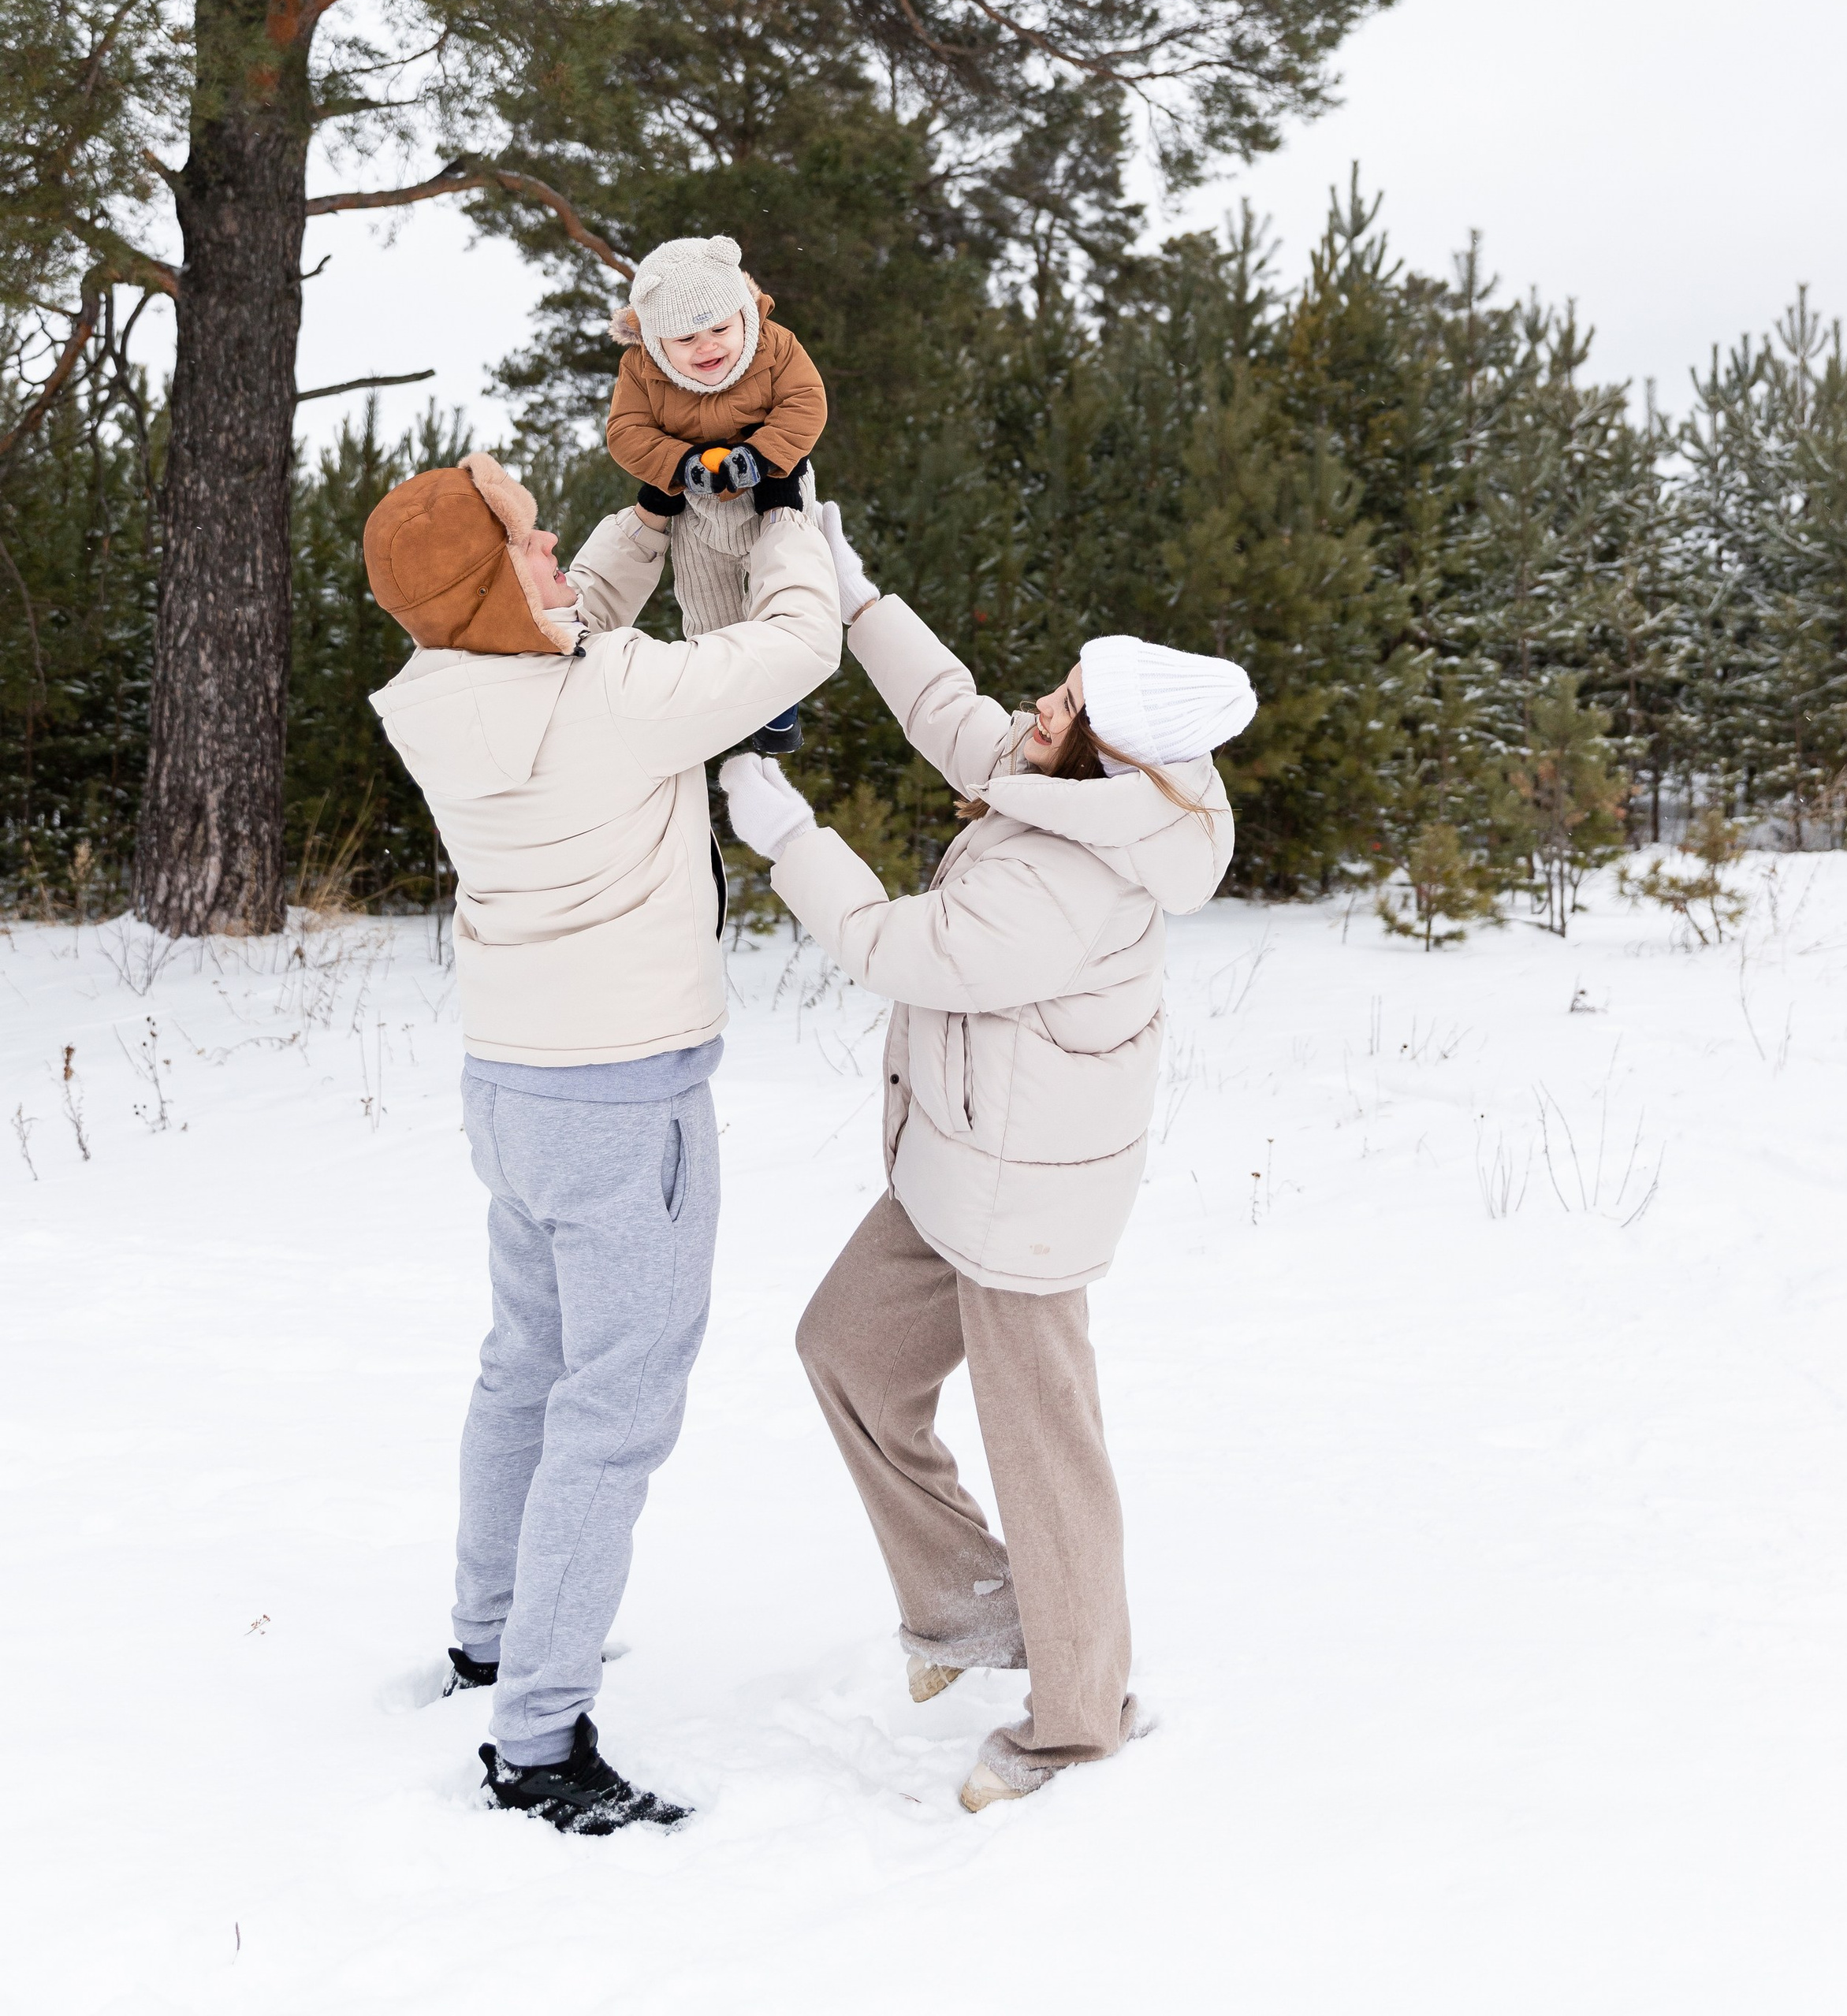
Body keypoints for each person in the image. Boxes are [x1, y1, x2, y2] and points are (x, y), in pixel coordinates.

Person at [721, 501, 1256, 1815]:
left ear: (1111, 749)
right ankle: (968, 1609)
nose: (1041, 701)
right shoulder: (1096, 783)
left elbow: (900, 948)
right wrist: (858, 600)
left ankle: (1079, 1719)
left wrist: (788, 835)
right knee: (847, 1351)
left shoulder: (1070, 882)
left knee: (1045, 1449)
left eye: (1066, 695)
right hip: (959, 1157)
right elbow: (960, 721)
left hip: (1025, 1201)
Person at [363, 446, 841, 1836]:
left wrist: (643, 527)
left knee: (528, 1366)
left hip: (515, 1087)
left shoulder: (444, 695)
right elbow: (796, 638)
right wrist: (793, 519)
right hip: (628, 1101)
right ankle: (539, 1744)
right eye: (527, 536)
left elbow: (568, 621)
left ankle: (493, 1637)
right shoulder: (615, 700)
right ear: (489, 582)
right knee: (614, 1410)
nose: (554, 545)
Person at [605, 233, 828, 755]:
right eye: (685, 339)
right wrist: (680, 464)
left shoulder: (775, 344)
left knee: (785, 583)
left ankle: (781, 696)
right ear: (657, 342)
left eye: (720, 329)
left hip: (776, 485)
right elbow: (627, 432)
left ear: (743, 315)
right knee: (708, 607)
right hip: (699, 501)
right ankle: (729, 702)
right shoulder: (640, 370)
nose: (707, 346)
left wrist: (764, 455)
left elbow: (805, 402)